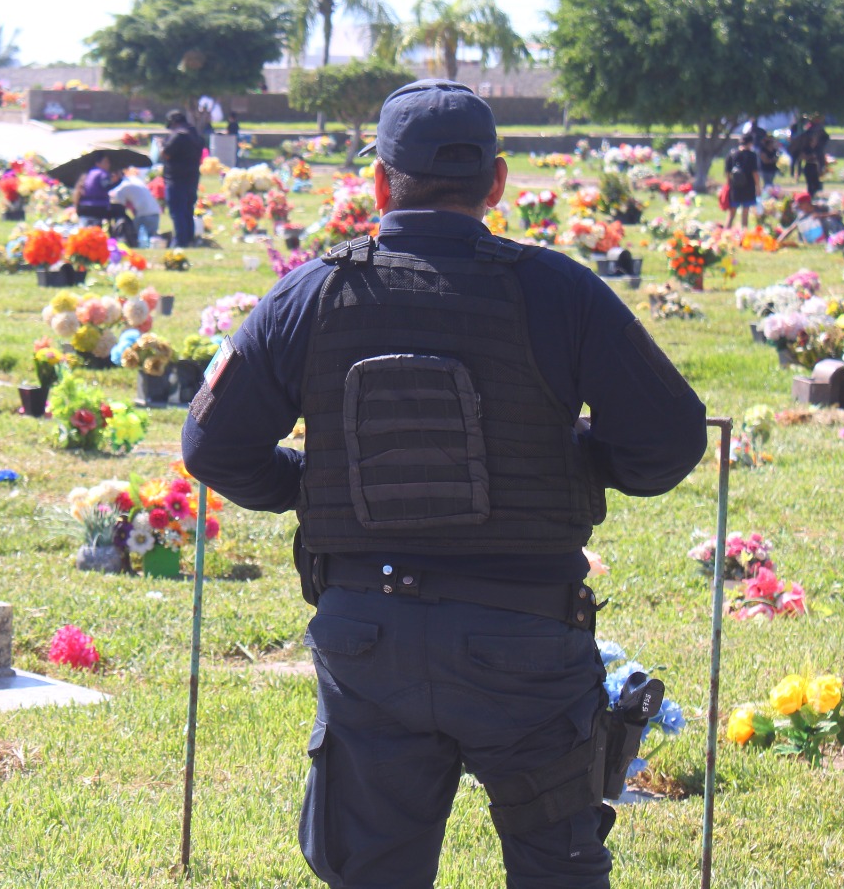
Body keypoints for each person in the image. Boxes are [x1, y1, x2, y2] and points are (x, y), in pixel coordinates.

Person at [183, 79, 705, 889]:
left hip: (370, 642)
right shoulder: (559, 290)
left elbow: (213, 447)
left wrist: (321, 484)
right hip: (525, 644)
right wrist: (579, 460)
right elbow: (669, 442)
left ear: (381, 184)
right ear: (496, 183)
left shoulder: (312, 291)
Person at [161, 110, 204, 247]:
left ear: (174, 122)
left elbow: (166, 154)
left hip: (176, 179)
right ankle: (189, 238)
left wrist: (161, 145)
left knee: (176, 211)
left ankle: (180, 241)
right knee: (187, 210)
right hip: (192, 178)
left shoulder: (178, 136)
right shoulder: (194, 133)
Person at [109, 167, 162, 247]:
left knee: (136, 238)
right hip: (154, 212)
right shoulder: (133, 179)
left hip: (143, 214)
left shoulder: (122, 187)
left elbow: (120, 207)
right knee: (151, 239)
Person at [724, 134, 761, 229]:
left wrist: (728, 185)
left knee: (731, 214)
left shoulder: (732, 154)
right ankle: (743, 235)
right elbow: (755, 173)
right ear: (750, 143)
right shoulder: (752, 155)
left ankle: (725, 233)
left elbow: (727, 173)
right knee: (745, 214)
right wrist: (758, 187)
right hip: (748, 187)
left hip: (734, 188)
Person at [75, 154, 116, 227]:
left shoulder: (88, 173)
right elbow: (106, 186)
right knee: (96, 231)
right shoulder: (103, 173)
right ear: (98, 163)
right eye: (106, 162)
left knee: (84, 230)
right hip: (98, 207)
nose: (108, 164)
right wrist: (115, 180)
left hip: (84, 206)